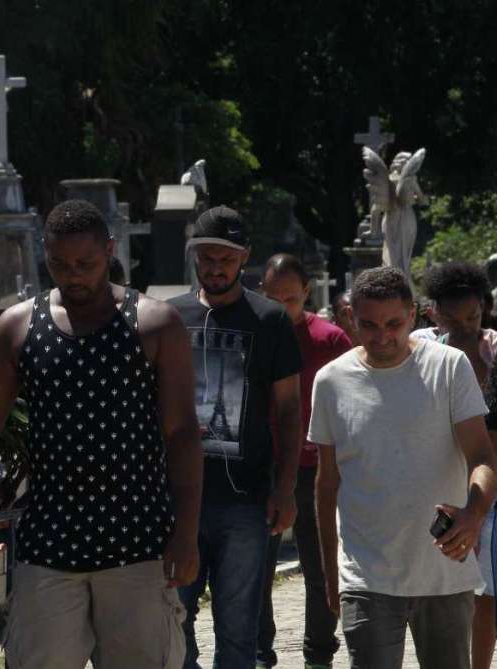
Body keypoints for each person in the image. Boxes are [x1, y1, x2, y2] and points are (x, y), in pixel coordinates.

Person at [0, 199, 203, 668]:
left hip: (139, 544)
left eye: (86, 263)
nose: (73, 275)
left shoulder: (155, 324)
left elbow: (182, 433)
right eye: (60, 264)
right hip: (49, 546)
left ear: (109, 250)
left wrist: (186, 534)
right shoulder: (19, 327)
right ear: (45, 255)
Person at [310, 265, 497, 669]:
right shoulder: (330, 381)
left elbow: (482, 457)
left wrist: (473, 514)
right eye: (369, 325)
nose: (383, 337)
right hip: (366, 576)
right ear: (349, 319)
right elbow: (327, 486)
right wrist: (329, 574)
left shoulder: (449, 367)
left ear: (414, 315)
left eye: (394, 323)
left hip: (444, 572)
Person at [166, 206, 303, 669]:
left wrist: (285, 488)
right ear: (194, 257)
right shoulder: (169, 317)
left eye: (226, 258)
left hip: (246, 499)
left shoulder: (270, 320)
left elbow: (288, 411)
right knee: (171, 621)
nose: (215, 267)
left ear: (244, 258)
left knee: (239, 627)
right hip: (177, 499)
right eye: (206, 257)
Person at [256, 254, 352, 669]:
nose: (281, 306)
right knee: (257, 565)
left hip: (316, 462)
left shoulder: (329, 339)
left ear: (307, 294)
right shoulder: (256, 332)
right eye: (273, 296)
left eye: (290, 298)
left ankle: (318, 651)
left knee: (319, 563)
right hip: (266, 461)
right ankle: (260, 649)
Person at [422, 261, 497, 669]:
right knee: (445, 590)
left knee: (487, 592)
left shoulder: (494, 350)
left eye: (473, 316)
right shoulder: (421, 348)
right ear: (434, 312)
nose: (467, 326)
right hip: (436, 482)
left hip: (485, 485)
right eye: (453, 318)